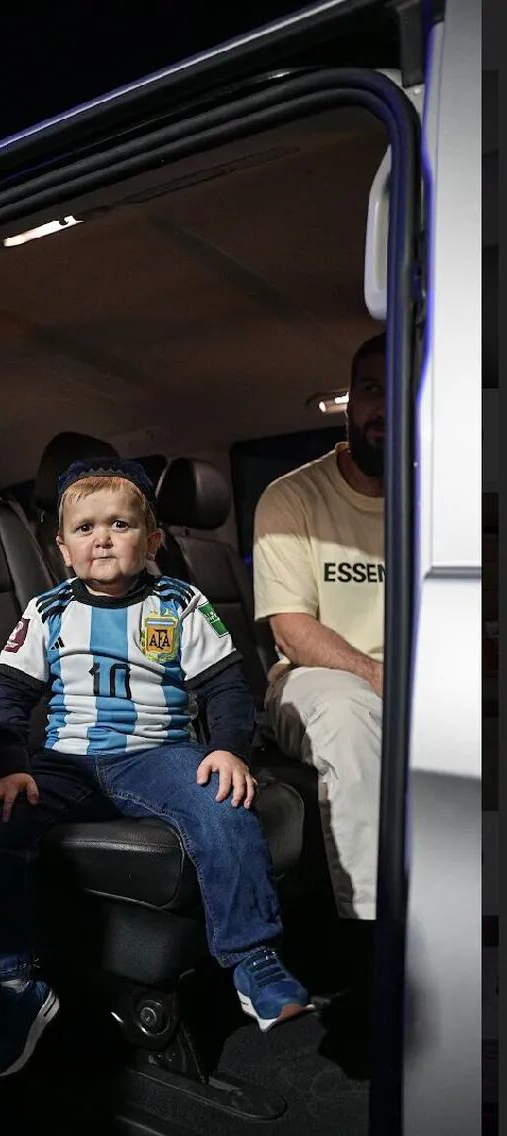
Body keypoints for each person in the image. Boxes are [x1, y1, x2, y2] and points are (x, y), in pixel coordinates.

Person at [0, 457, 312, 1083]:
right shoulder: (46, 613)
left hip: (158, 756)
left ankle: (253, 960)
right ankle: (16, 984)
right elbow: (8, 696)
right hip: (65, 762)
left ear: (151, 541)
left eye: (121, 524)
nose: (102, 537)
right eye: (86, 527)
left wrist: (229, 748)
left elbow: (228, 689)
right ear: (63, 549)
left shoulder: (181, 603)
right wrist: (11, 767)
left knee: (223, 802)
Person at [253, 334, 385, 926]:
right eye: (371, 390)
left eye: (400, 392)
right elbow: (291, 630)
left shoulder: (438, 500)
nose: (384, 408)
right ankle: (378, 931)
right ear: (351, 403)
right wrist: (382, 677)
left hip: (415, 681)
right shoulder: (292, 498)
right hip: (316, 676)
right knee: (347, 710)